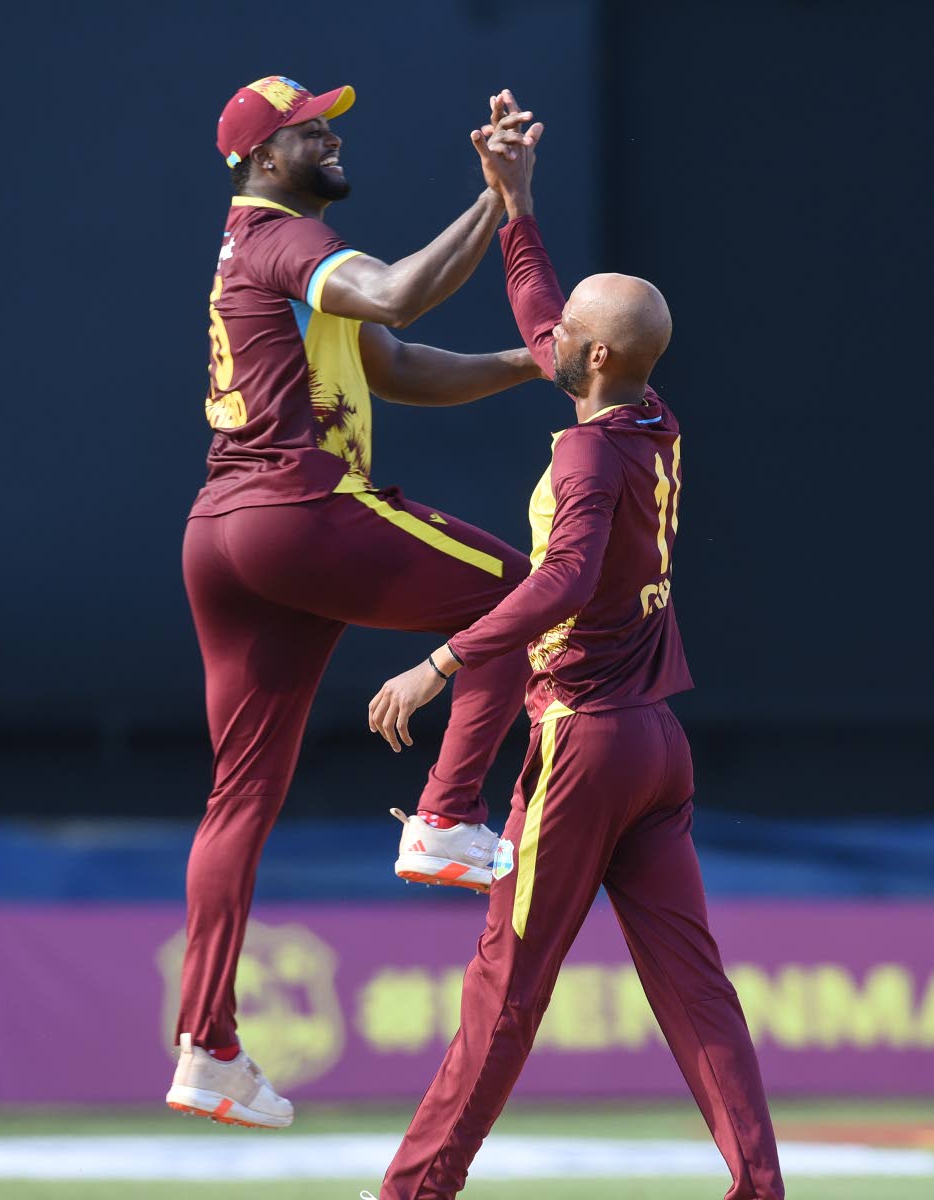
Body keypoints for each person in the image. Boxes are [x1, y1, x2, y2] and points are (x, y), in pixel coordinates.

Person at [366, 91, 785, 1200]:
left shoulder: (593, 461)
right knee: (697, 994)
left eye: (562, 343)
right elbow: (547, 309)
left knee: (503, 992)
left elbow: (559, 582)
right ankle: (759, 1185)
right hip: (657, 747)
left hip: (585, 748)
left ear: (589, 357)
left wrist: (441, 661)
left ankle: (412, 1190)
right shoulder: (649, 415)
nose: (540, 345)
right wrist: (517, 206)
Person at [165, 75, 548, 1129]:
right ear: (259, 158)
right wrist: (497, 198)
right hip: (298, 509)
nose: (329, 139)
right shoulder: (280, 237)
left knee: (237, 797)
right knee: (517, 591)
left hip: (225, 534)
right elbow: (394, 296)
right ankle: (446, 814)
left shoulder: (274, 257)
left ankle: (207, 1046)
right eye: (307, 131)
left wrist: (528, 358)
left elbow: (401, 364)